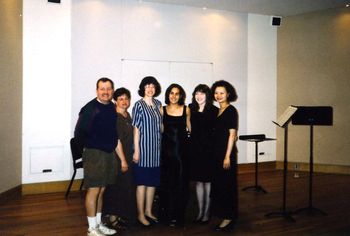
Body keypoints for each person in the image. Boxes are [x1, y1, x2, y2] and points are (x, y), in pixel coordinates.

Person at [74, 77, 127, 236]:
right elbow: (79, 134)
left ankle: (98, 224)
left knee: (102, 190)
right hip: (94, 154)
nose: (105, 92)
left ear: (112, 90)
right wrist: (89, 151)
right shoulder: (90, 108)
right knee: (94, 190)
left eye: (108, 89)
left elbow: (113, 134)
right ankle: (91, 228)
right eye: (102, 89)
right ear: (97, 90)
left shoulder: (111, 107)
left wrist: (121, 157)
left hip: (109, 154)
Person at [102, 87, 136, 230]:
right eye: (120, 99)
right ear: (115, 100)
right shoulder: (115, 117)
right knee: (115, 188)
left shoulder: (127, 115)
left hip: (128, 155)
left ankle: (119, 216)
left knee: (124, 188)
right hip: (117, 158)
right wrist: (123, 160)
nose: (124, 101)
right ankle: (112, 218)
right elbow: (117, 141)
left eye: (126, 98)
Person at [158, 83, 191, 227]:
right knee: (166, 185)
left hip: (182, 154)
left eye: (177, 93)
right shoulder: (162, 110)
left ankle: (179, 217)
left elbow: (190, 129)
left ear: (181, 95)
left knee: (181, 185)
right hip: (166, 153)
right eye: (171, 93)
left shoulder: (186, 109)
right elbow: (160, 130)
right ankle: (166, 216)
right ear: (167, 95)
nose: (174, 96)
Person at [132, 76, 162, 227]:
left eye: (152, 86)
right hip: (143, 151)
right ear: (143, 88)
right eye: (147, 86)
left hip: (156, 152)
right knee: (142, 184)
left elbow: (161, 127)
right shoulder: (138, 105)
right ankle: (140, 214)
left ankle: (149, 211)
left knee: (152, 184)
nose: (150, 89)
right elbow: (136, 130)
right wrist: (136, 150)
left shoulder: (158, 104)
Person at [210, 80, 239, 231]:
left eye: (222, 93)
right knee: (220, 185)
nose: (218, 95)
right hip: (216, 153)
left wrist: (227, 156)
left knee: (227, 186)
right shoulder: (217, 110)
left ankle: (229, 218)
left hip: (225, 154)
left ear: (228, 94)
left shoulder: (231, 110)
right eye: (216, 93)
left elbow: (232, 135)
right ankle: (224, 214)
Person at [188, 84, 218, 224]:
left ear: (207, 95)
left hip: (209, 150)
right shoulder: (190, 108)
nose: (199, 96)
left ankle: (207, 212)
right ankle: (200, 211)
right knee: (199, 182)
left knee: (208, 182)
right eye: (197, 94)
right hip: (195, 149)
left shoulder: (214, 111)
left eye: (202, 94)